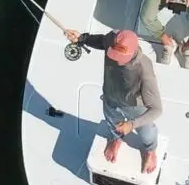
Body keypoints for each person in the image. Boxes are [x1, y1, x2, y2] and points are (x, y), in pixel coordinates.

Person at [64, 27, 163, 175]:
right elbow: (101, 41)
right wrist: (82, 38)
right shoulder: (112, 39)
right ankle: (117, 139)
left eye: (121, 56)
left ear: (133, 52)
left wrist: (132, 124)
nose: (115, 58)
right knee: (112, 121)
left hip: (134, 106)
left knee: (147, 132)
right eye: (114, 53)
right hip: (110, 95)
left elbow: (157, 109)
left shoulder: (144, 69)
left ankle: (150, 150)